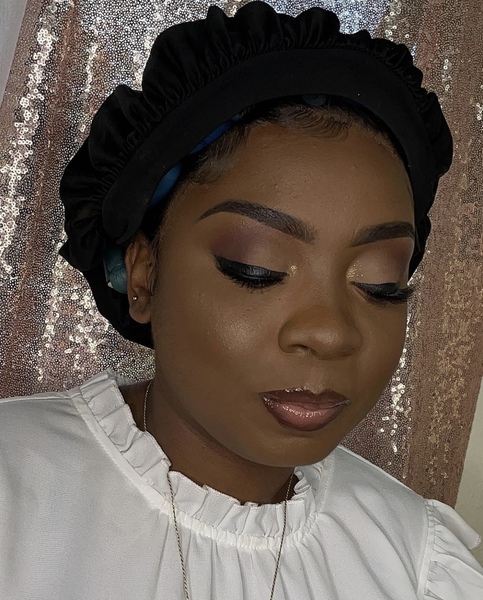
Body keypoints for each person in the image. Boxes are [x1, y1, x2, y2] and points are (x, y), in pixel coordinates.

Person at [0, 2, 482, 599]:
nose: (331, 333)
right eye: (258, 270)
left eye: (380, 284)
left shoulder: (416, 565)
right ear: (143, 273)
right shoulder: (14, 491)